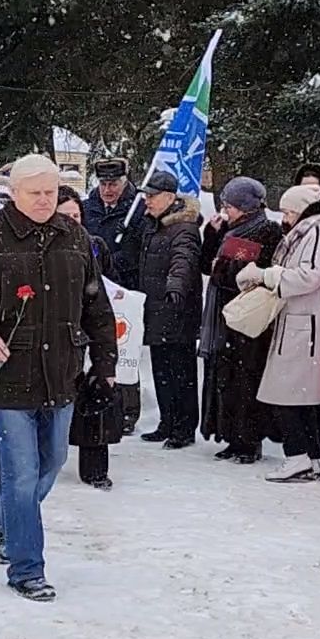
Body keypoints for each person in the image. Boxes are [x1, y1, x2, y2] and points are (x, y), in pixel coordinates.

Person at [0, 154, 117, 602]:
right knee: (20, 475)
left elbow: (95, 305)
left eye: (51, 192)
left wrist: (106, 362)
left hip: (63, 373)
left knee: (52, 464)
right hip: (10, 375)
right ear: (14, 192)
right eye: (34, 193)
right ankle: (27, 568)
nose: (43, 201)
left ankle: (2, 514)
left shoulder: (74, 234)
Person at [243, 183, 320, 482]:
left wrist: (266, 275)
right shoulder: (313, 233)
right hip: (301, 324)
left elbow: (309, 276)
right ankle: (309, 458)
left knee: (285, 395)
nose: (285, 218)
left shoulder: (318, 234)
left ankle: (298, 456)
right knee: (297, 397)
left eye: (289, 211)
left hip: (306, 327)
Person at [200, 177, 283, 463]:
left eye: (230, 206)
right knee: (226, 377)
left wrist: (222, 268)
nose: (226, 211)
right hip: (226, 314)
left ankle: (249, 439)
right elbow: (207, 264)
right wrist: (211, 235)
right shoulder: (228, 230)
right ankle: (232, 436)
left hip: (249, 318)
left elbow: (247, 273)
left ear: (246, 206)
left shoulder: (266, 231)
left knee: (246, 378)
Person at [58, 187, 129, 489]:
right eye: (66, 216)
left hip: (90, 331)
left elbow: (111, 286)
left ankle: (95, 467)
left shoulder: (94, 245)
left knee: (95, 397)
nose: (73, 221)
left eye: (77, 215)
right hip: (58, 335)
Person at [133, 169, 203, 448]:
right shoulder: (154, 224)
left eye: (152, 196)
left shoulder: (184, 227)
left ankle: (184, 428)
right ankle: (167, 421)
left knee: (181, 372)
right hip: (156, 308)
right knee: (161, 370)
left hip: (177, 310)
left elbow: (183, 260)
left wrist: (176, 286)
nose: (146, 201)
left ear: (170, 197)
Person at [83, 155, 143, 288]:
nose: (107, 190)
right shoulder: (86, 208)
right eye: (103, 184)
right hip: (92, 280)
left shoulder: (140, 208)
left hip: (126, 283)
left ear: (125, 183)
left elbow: (139, 252)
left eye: (113, 184)